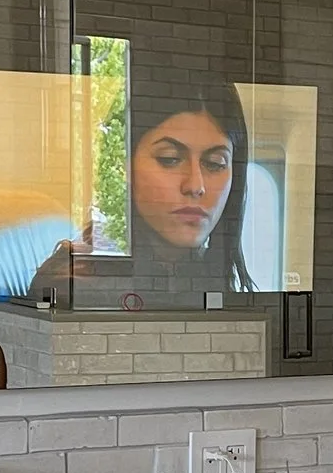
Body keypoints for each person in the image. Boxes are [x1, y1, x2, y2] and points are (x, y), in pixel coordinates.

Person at [36, 79, 256, 308]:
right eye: (169, 159)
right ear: (126, 165)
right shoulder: (72, 283)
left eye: (215, 163)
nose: (195, 186)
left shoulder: (221, 289)